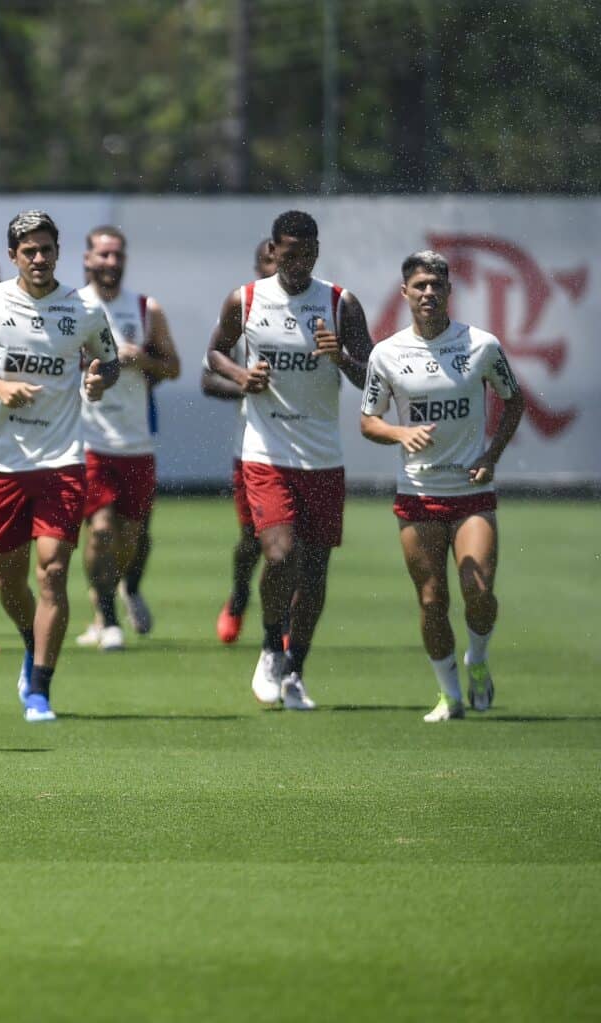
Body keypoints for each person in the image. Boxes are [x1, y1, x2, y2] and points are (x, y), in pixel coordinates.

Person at [0, 210, 118, 723]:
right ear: (13, 256)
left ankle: (40, 687)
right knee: (9, 580)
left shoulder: (83, 308)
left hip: (63, 459)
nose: (39, 259)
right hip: (4, 462)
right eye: (29, 251)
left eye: (46, 249)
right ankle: (29, 640)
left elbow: (106, 359)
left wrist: (97, 379)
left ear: (58, 253)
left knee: (54, 571)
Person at [205, 209, 371, 710]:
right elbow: (214, 355)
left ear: (317, 252)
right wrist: (240, 376)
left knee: (316, 570)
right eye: (288, 253)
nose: (297, 262)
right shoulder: (247, 298)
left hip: (322, 456)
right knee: (280, 555)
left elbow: (372, 378)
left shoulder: (341, 303)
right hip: (266, 451)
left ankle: (296, 668)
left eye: (306, 253)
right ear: (273, 252)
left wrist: (340, 356)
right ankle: (270, 646)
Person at [361, 250, 524, 722]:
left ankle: (477, 657)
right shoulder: (386, 353)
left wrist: (491, 457)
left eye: (436, 284)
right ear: (405, 292)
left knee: (478, 591)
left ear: (450, 291)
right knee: (432, 599)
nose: (428, 292)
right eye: (420, 285)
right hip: (417, 492)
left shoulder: (482, 346)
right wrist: (398, 432)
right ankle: (450, 695)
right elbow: (369, 420)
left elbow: (514, 403)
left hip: (471, 492)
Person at [73, 226, 181, 651]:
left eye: (117, 255)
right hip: (88, 438)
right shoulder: (73, 307)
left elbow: (173, 366)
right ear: (87, 259)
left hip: (135, 441)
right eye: (103, 255)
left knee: (131, 537)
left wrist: (144, 359)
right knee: (100, 530)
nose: (111, 263)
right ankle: (107, 617)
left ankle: (114, 594)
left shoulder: (145, 308)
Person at [206, 238, 277, 644]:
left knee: (289, 545)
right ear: (257, 267)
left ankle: (279, 622)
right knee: (253, 539)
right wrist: (244, 383)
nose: (275, 268)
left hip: (301, 446)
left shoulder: (313, 312)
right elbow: (207, 375)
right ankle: (238, 596)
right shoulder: (244, 310)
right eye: (268, 261)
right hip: (253, 445)